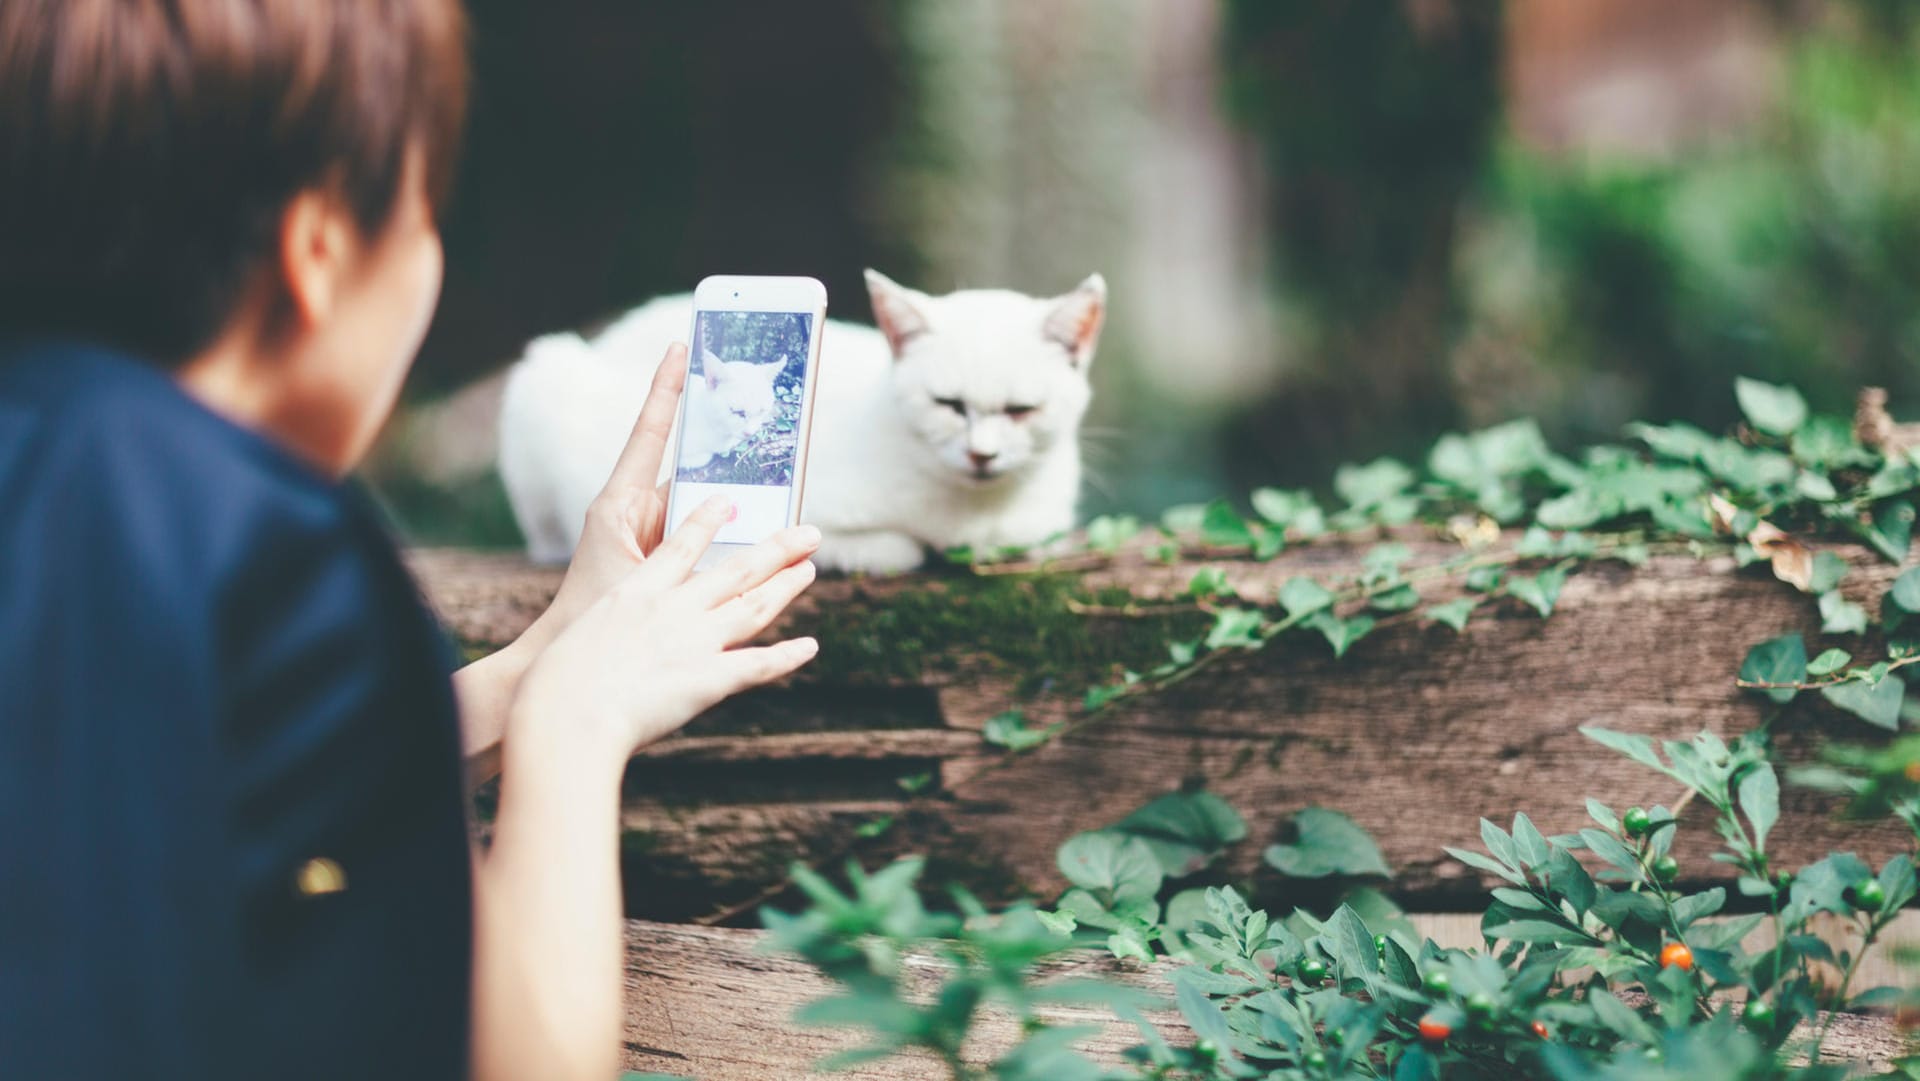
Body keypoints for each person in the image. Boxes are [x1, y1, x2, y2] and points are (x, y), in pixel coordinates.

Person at [0, 2, 821, 1078]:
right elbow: (524, 1064)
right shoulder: (272, 549)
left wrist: (540, 661)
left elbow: (174, 770)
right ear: (322, 247)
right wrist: (577, 726)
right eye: (427, 209)